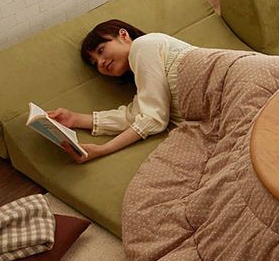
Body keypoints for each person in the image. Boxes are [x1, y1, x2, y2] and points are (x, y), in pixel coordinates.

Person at [48, 19, 194, 163]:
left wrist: (102, 149)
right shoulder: (147, 79)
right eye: (95, 63)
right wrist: (74, 119)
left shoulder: (143, 45)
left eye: (101, 50)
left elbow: (153, 118)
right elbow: (135, 115)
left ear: (123, 35)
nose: (101, 62)